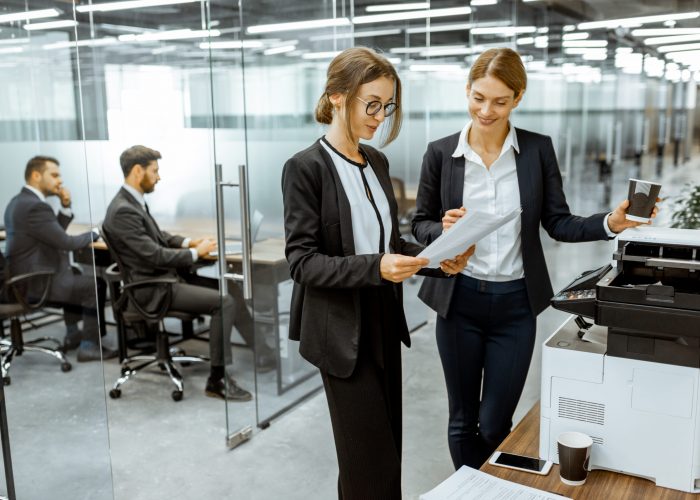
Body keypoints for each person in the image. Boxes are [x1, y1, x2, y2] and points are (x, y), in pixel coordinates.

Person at [412, 47, 659, 470]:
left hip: (514, 308)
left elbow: (558, 223)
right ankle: (472, 493)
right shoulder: (440, 153)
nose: (486, 110)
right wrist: (443, 230)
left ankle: (484, 482)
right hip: (459, 303)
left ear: (518, 97)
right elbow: (419, 224)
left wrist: (611, 223)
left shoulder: (537, 150)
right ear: (467, 91)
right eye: (478, 97)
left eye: (499, 101)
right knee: (461, 420)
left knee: (494, 424)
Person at [281, 47, 472, 499]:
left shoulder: (377, 162)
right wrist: (376, 267)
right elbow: (302, 263)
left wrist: (438, 259)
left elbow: (390, 245)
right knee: (369, 462)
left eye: (387, 106)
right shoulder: (306, 168)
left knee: (386, 452)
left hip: (384, 321)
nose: (380, 116)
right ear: (337, 98)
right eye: (372, 104)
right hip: (341, 332)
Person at [102, 145, 261, 401]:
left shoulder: (130, 202)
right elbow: (154, 254)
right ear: (137, 170)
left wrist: (190, 243)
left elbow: (158, 236)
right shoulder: (123, 210)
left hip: (162, 280)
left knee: (228, 287)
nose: (159, 176)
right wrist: (196, 254)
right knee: (224, 302)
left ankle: (263, 353)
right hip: (152, 289)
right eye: (155, 171)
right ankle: (217, 380)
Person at [4, 156, 115, 361]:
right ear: (36, 175)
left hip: (23, 280)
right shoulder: (36, 207)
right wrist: (95, 232)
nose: (60, 181)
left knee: (72, 273)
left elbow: (52, 236)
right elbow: (66, 242)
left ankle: (73, 335)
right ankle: (89, 346)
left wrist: (65, 206)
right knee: (94, 284)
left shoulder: (18, 202)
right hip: (37, 284)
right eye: (54, 175)